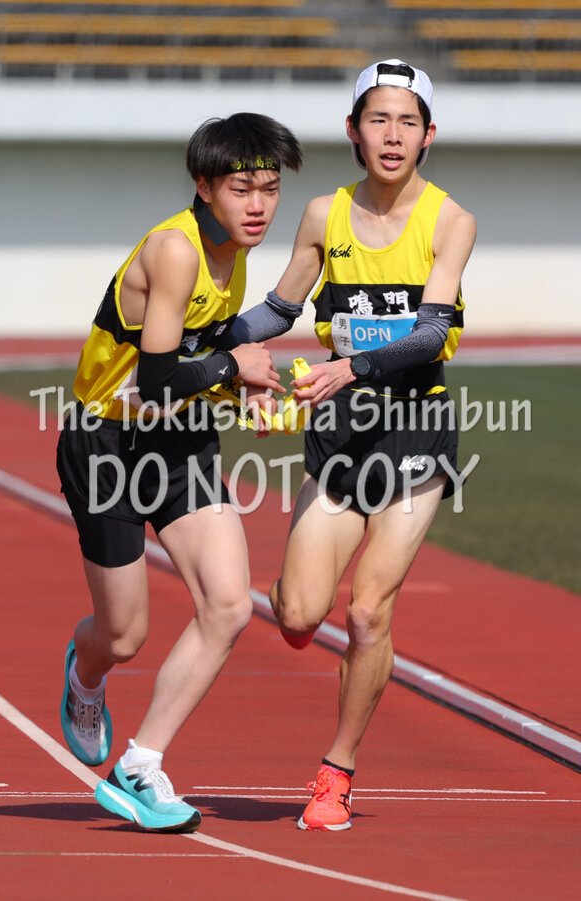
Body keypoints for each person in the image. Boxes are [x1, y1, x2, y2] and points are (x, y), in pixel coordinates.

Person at [222, 59, 476, 831]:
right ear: (353, 131)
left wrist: (352, 365)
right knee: (299, 615)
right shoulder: (322, 214)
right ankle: (297, 603)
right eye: (378, 119)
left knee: (368, 610)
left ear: (428, 135)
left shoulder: (449, 220)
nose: (392, 135)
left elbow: (430, 332)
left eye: (408, 121)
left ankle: (337, 772)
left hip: (415, 431)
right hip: (338, 437)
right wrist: (207, 341)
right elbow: (279, 308)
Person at [56, 112, 302, 833]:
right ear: (204, 186)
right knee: (123, 635)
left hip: (180, 443)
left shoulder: (234, 251)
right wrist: (234, 366)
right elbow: (157, 380)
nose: (258, 206)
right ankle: (86, 674)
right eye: (241, 189)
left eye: (269, 189)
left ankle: (140, 765)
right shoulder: (175, 250)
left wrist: (242, 388)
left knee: (228, 604)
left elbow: (204, 347)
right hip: (107, 445)